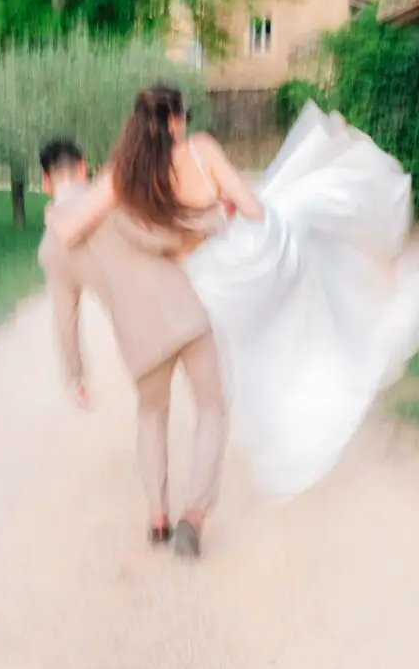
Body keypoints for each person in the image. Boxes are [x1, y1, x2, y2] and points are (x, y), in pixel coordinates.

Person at [52, 85, 419, 501]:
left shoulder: (124, 173)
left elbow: (67, 228)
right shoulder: (200, 149)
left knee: (267, 338)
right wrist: (221, 205)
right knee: (308, 206)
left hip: (209, 283)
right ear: (177, 121)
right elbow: (252, 209)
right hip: (254, 257)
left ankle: (320, 362)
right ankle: (390, 268)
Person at [38, 132, 259, 558]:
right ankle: (193, 515)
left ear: (46, 182)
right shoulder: (113, 198)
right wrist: (217, 218)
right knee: (212, 407)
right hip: (185, 317)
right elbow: (164, 235)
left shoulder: (51, 248)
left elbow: (65, 319)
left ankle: (157, 517)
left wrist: (76, 375)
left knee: (151, 415)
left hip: (138, 341)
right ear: (85, 166)